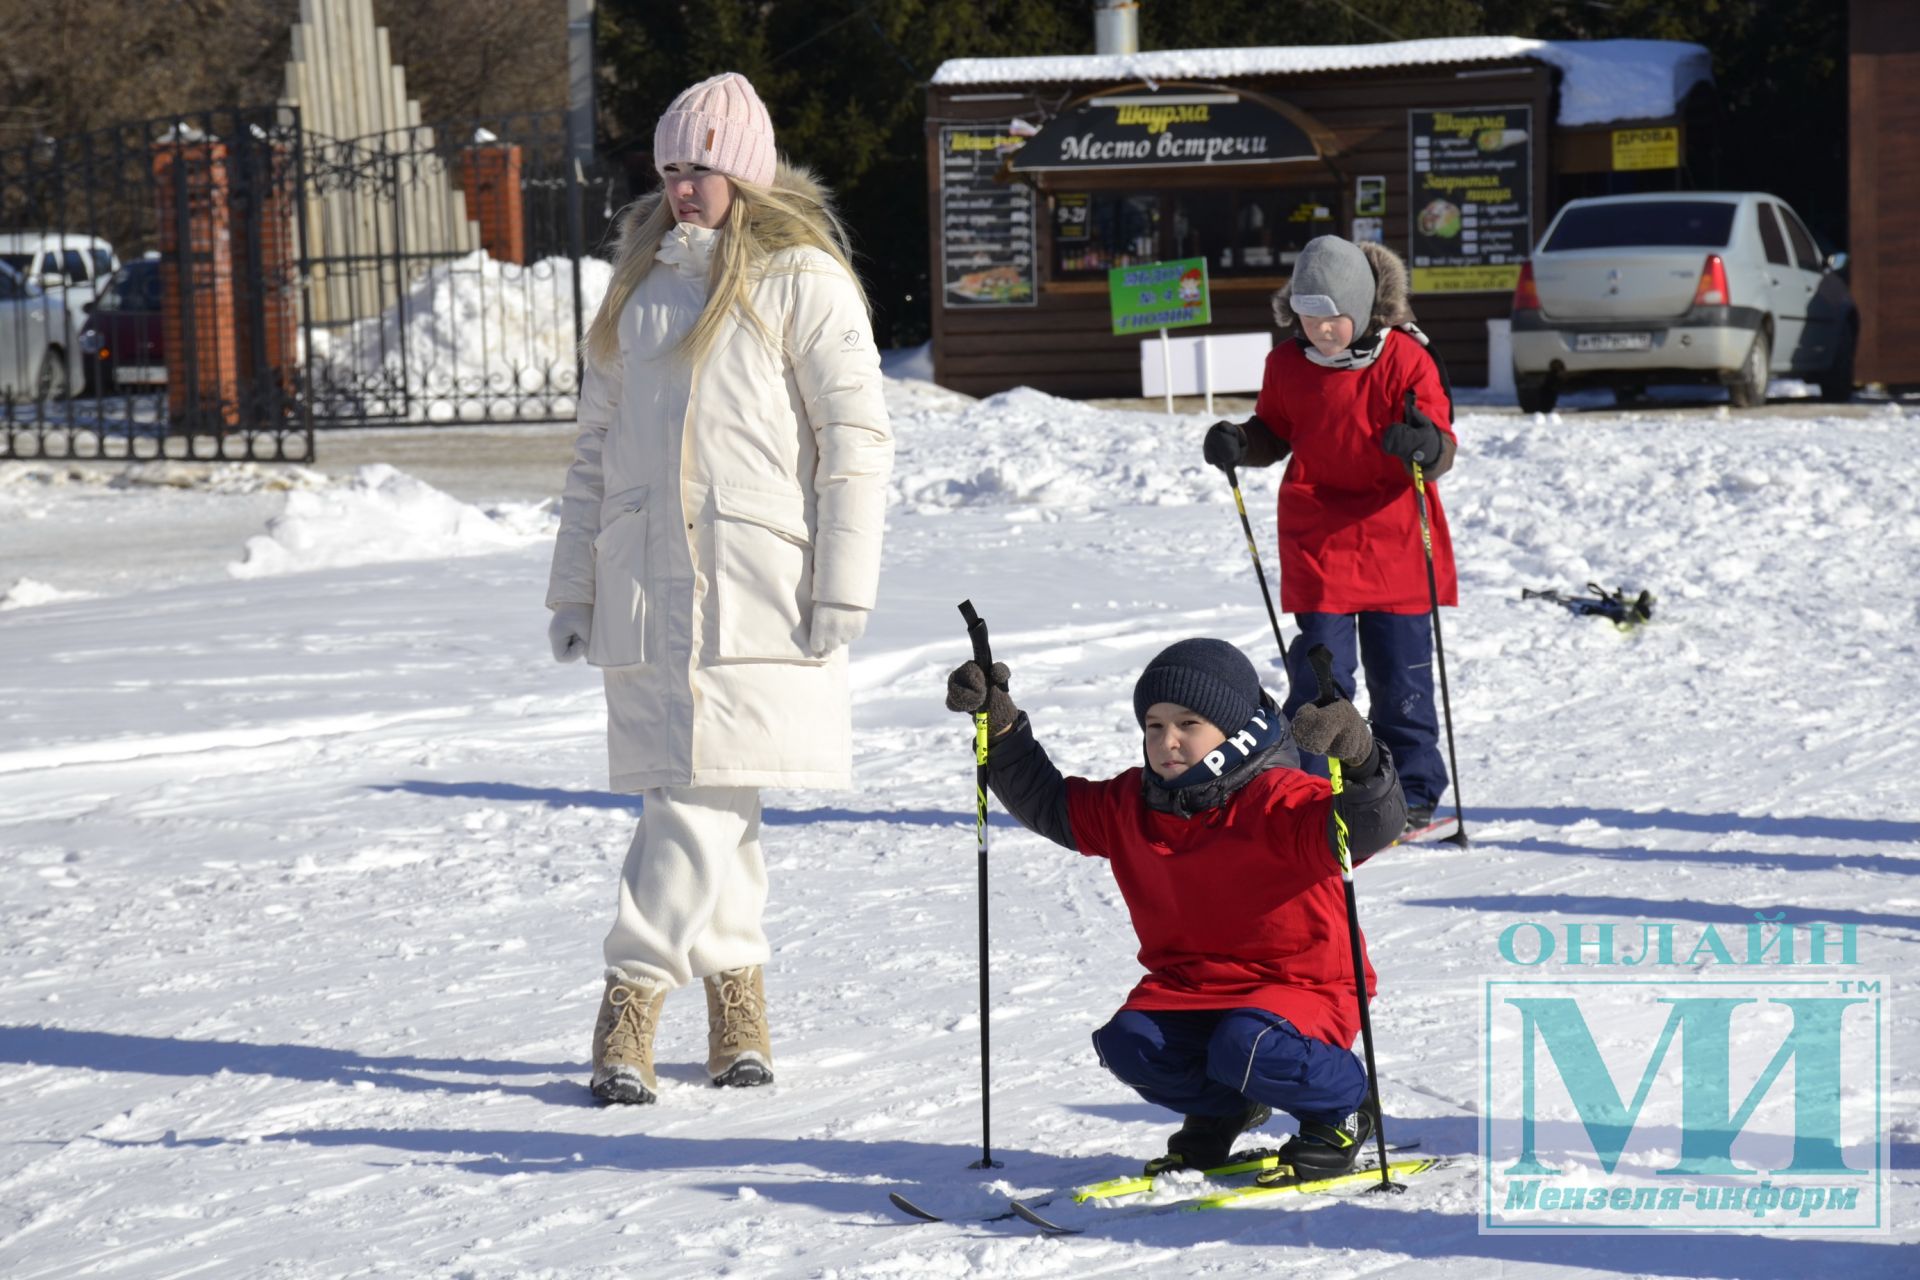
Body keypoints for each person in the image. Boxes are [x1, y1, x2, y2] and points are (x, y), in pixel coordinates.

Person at [544, 71, 893, 1105]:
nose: (681, 188)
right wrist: (573, 589)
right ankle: (740, 1004)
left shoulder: (802, 280)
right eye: (668, 170)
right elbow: (593, 452)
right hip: (646, 592)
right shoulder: (640, 290)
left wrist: (843, 582)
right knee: (708, 798)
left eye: (699, 168)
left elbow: (856, 440)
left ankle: (631, 994)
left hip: (757, 586)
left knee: (692, 802)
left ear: (744, 169)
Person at [944, 638, 1406, 1174]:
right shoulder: (1131, 804)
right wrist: (1001, 732)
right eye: (1154, 726)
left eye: (1189, 724)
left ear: (1231, 730)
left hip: (1301, 985)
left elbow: (1371, 825)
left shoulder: (1279, 799)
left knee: (1248, 1045)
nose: (1169, 741)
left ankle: (1344, 1107)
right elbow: (1052, 805)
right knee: (1130, 1043)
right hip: (1193, 986)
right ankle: (1223, 1109)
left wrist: (1362, 757)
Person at [1202, 235, 1457, 830]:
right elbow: (1274, 430)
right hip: (1319, 539)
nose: (1320, 330)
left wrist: (1424, 445)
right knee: (1321, 677)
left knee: (1402, 681)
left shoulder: (1405, 358)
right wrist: (1243, 442)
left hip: (1392, 533)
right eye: (1307, 316)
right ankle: (1312, 793)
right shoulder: (1287, 364)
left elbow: (1442, 444)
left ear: (1363, 308)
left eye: (1333, 317)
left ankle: (1413, 791)